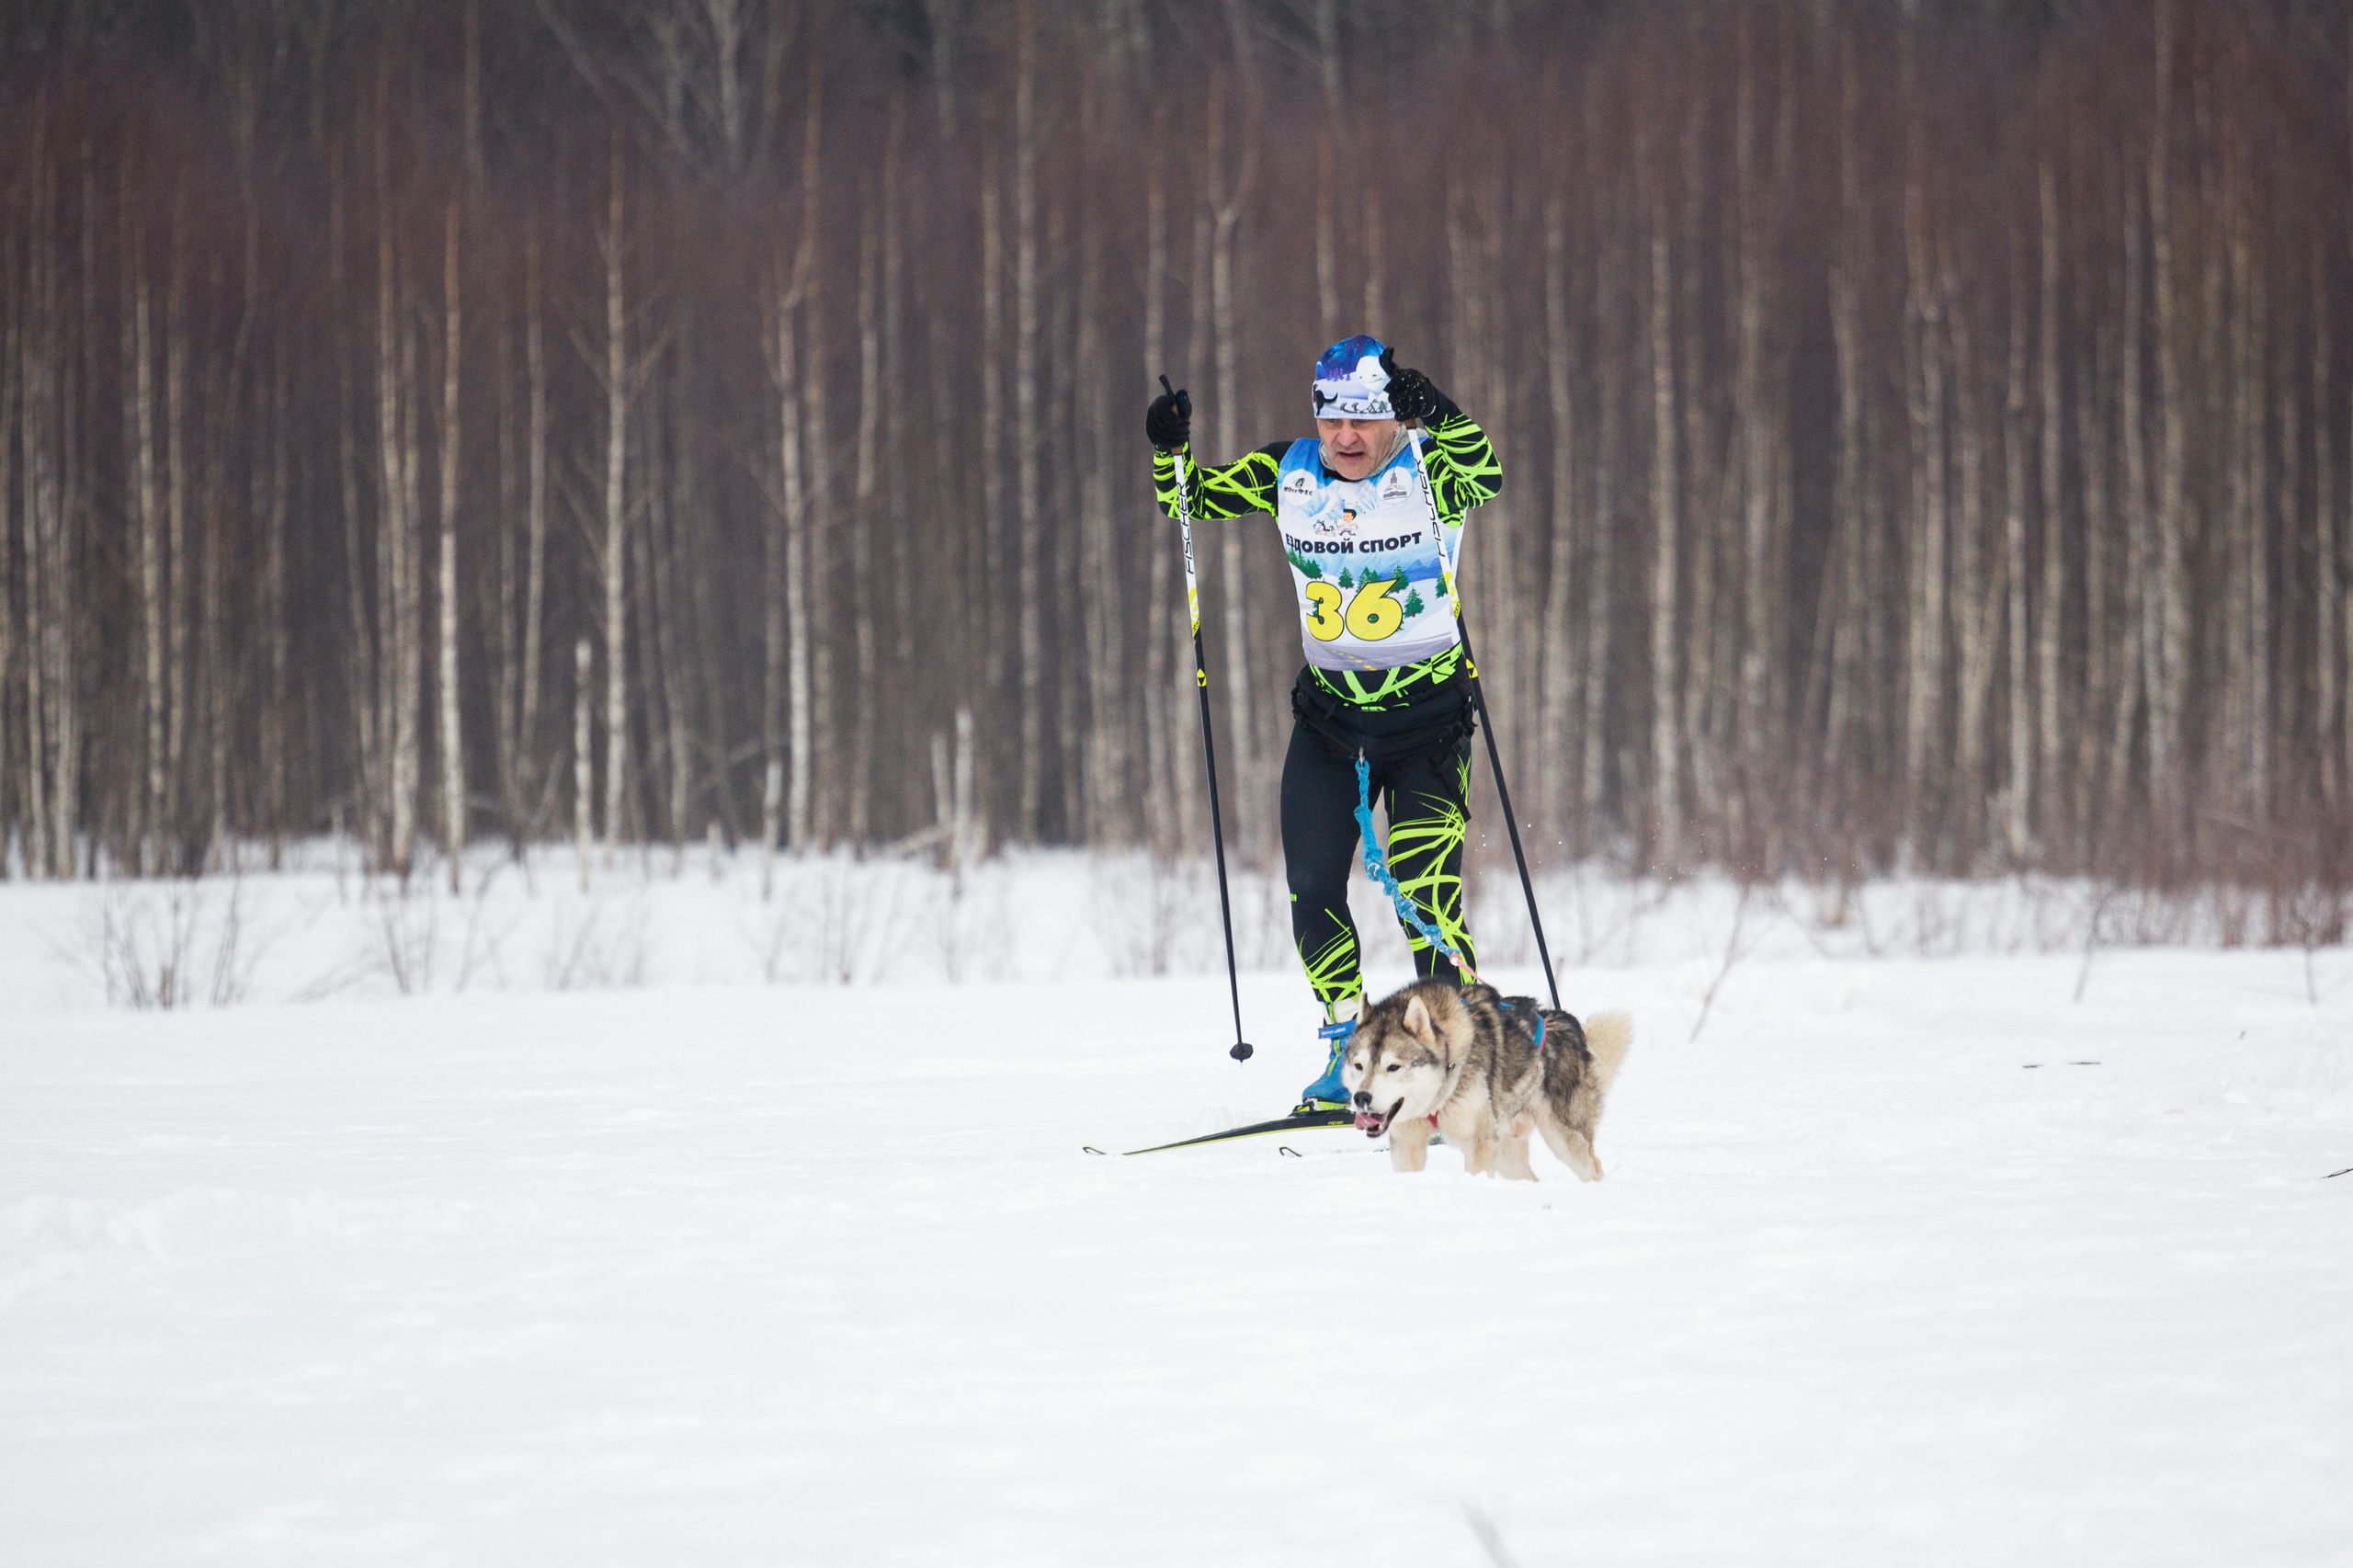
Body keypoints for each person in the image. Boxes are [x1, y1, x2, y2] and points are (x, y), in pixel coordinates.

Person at [1146, 335, 1504, 1112]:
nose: (1345, 437)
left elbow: (1487, 471)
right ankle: (1350, 1047)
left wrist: (1434, 410)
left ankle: (1458, 1062)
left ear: (1393, 422)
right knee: (1311, 885)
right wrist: (1166, 446)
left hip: (1427, 725)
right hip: (1331, 724)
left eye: (1366, 420)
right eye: (1332, 419)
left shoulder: (1430, 469)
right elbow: (1189, 497)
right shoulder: (1288, 472)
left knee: (1424, 891)